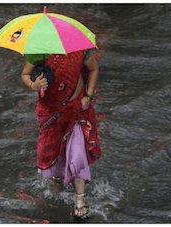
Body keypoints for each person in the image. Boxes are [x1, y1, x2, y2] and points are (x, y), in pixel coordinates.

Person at [21, 49, 102, 219]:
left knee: (77, 152)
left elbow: (93, 69)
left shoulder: (80, 50)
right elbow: (25, 74)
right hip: (51, 113)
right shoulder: (39, 52)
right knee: (51, 153)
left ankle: (80, 198)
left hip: (76, 110)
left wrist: (89, 95)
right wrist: (33, 85)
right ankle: (57, 181)